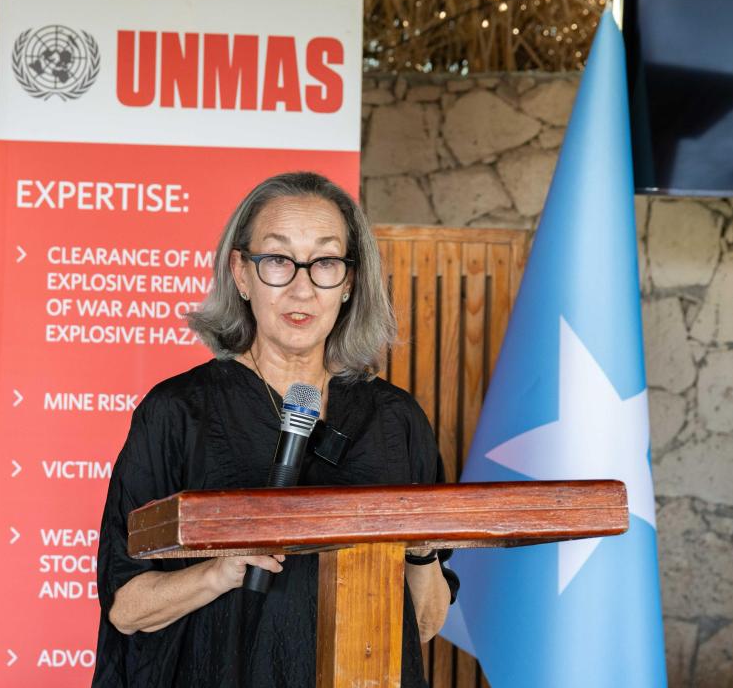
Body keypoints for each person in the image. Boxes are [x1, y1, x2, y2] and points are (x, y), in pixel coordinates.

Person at [94, 171, 459, 687]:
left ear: (351, 281)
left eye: (326, 262)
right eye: (278, 261)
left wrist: (421, 550)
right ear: (241, 273)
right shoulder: (178, 411)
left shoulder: (396, 420)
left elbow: (422, 625)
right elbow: (126, 608)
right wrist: (220, 571)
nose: (302, 287)